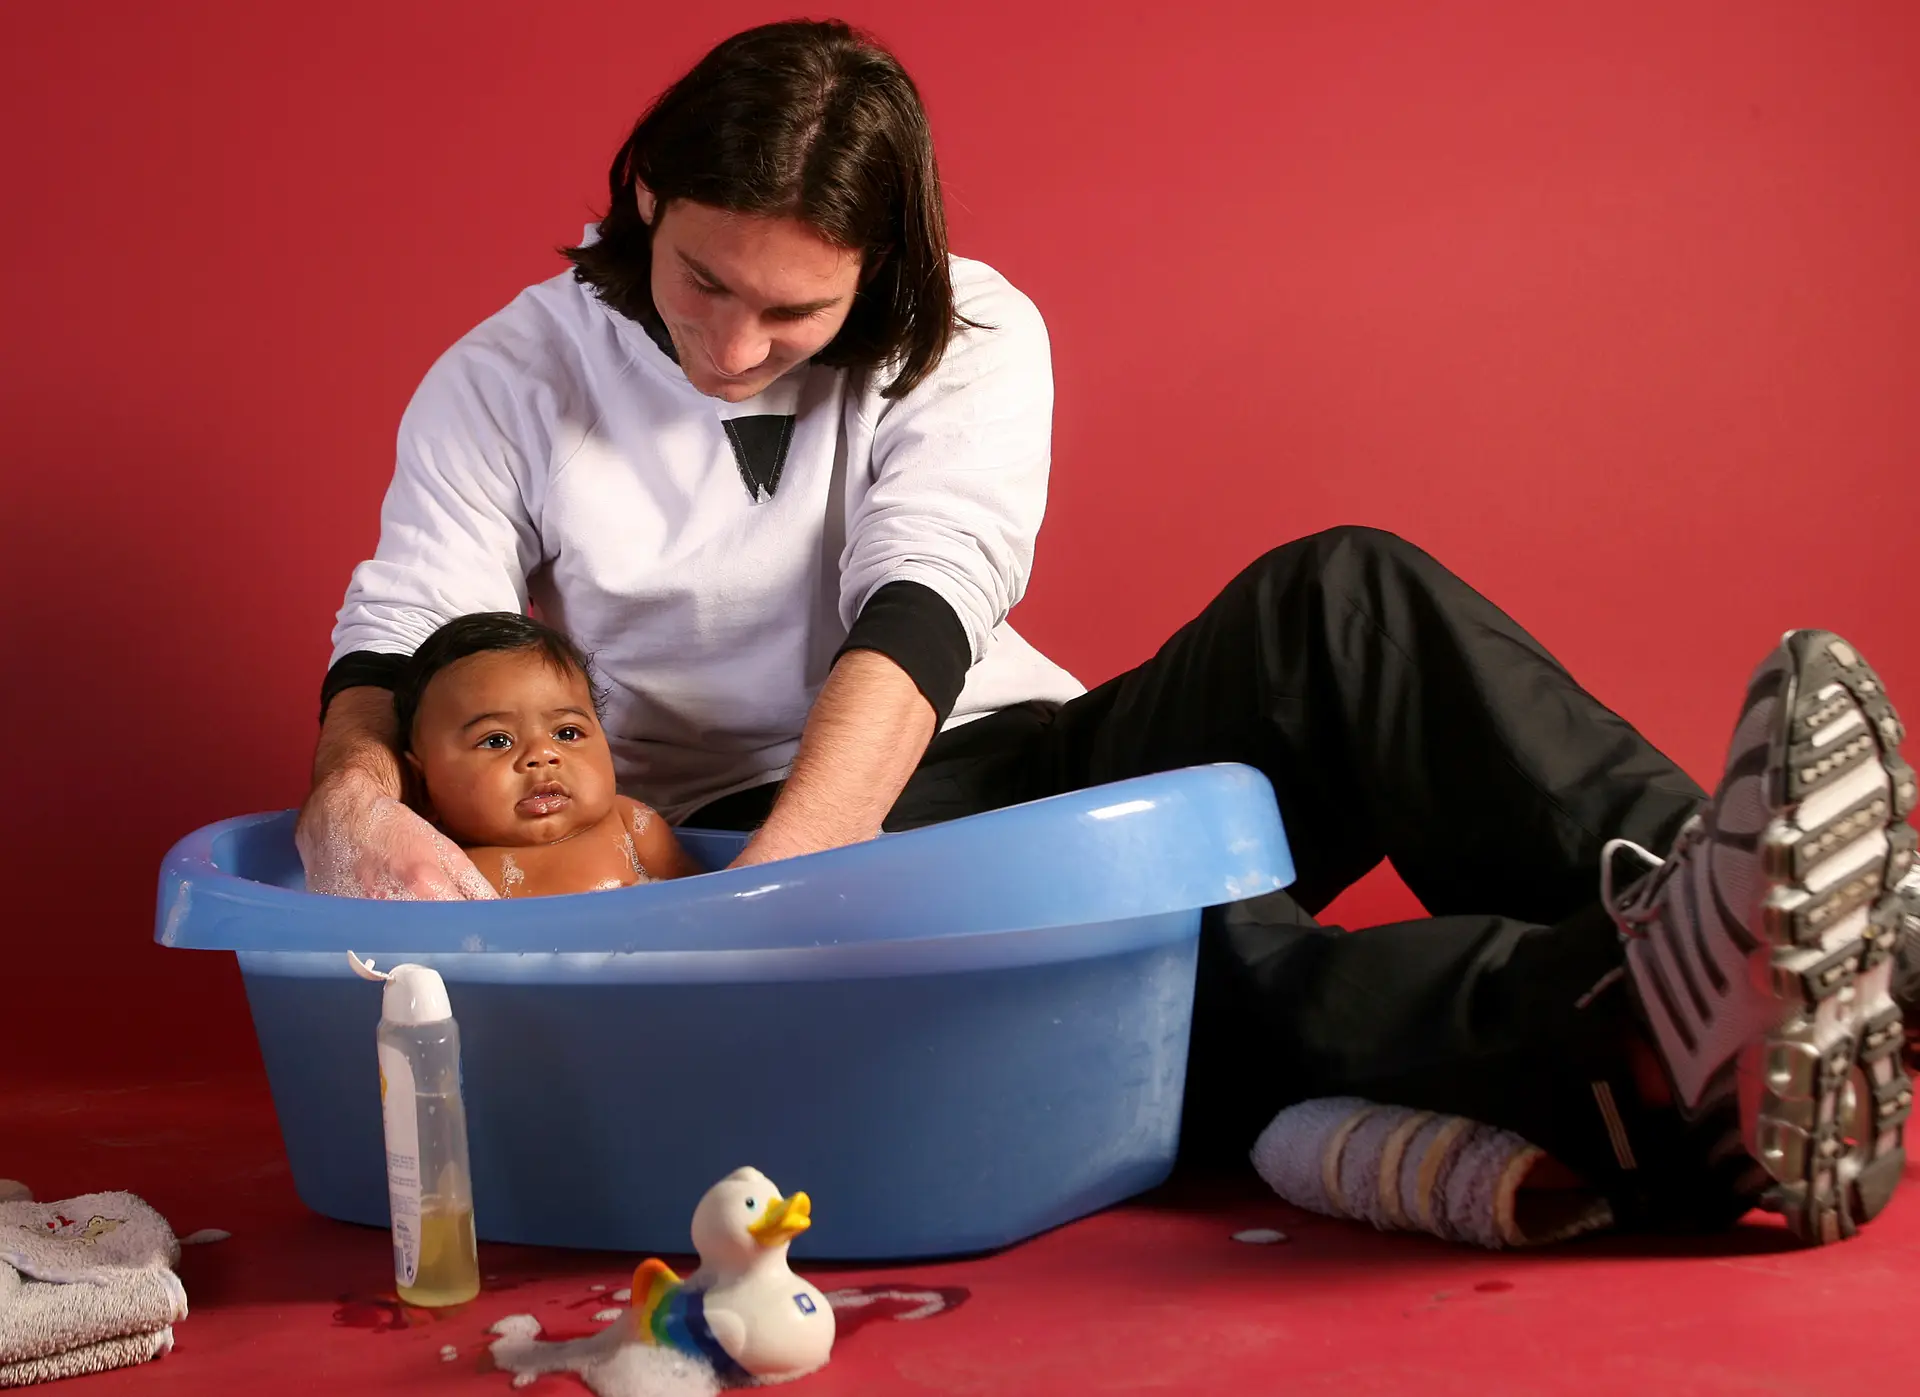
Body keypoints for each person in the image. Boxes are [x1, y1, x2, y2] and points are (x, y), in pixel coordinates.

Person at [296, 18, 1918, 1246]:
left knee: (1343, 595)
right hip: (735, 838)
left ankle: (1748, 909)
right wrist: (359, 799)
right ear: (646, 190)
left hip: (967, 754)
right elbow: (406, 629)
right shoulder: (509, 374)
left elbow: (924, 600)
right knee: (1182, 950)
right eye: (707, 279)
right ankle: (1648, 1028)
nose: (736, 344)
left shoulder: (977, 325)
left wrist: (814, 868)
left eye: (796, 312)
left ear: (885, 268)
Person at [386, 612, 701, 897]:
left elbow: (702, 906)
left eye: (567, 733)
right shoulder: (431, 864)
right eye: (497, 740)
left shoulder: (633, 827)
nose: (542, 754)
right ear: (421, 783)